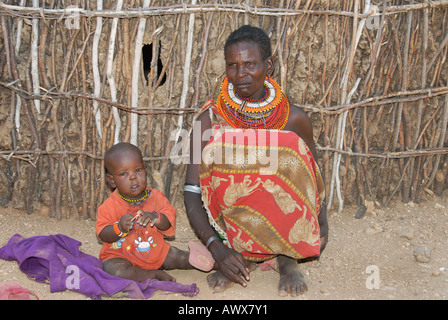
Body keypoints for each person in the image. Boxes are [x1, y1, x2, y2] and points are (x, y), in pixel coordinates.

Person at [184, 25, 328, 297]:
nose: (240, 74)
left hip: (287, 227)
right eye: (233, 65)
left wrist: (323, 224)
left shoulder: (293, 119)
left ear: (269, 65)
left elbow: (312, 178)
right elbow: (191, 192)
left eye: (250, 64)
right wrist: (217, 248)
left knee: (287, 146)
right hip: (230, 231)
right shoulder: (209, 121)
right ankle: (242, 254)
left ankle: (287, 258)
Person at [96, 142, 214, 283]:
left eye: (138, 170)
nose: (133, 177)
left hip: (155, 252)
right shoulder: (109, 205)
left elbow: (167, 224)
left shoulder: (156, 197)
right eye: (123, 173)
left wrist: (156, 217)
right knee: (113, 270)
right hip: (121, 256)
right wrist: (119, 228)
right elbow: (103, 234)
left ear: (145, 170)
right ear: (112, 180)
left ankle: (218, 263)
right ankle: (153, 275)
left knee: (179, 257)